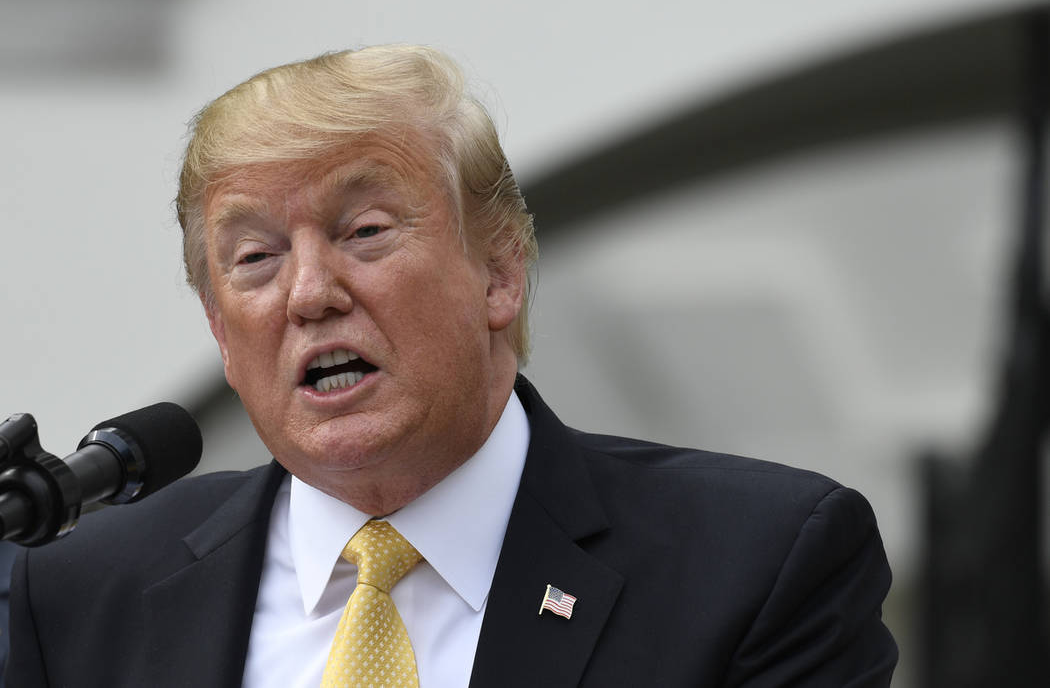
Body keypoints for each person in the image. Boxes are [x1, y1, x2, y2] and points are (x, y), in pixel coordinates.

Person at [4, 45, 897, 687]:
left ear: (500, 274)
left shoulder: (755, 563)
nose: (310, 292)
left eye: (364, 232)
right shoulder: (83, 590)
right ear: (218, 330)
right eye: (255, 258)